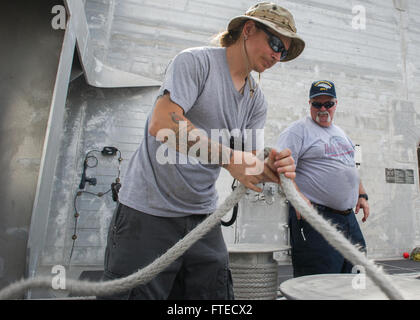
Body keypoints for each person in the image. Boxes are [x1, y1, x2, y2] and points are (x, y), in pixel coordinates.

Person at [99, 2, 305, 299]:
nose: (277, 55)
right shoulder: (194, 63)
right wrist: (231, 158)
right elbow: (162, 124)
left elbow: (250, 168)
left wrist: (274, 168)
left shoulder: (256, 101)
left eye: (283, 51)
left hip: (202, 217)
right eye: (275, 43)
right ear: (248, 30)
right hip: (148, 213)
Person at [275, 80, 370, 277]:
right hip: (316, 217)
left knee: (357, 275)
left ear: (336, 104)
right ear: (309, 103)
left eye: (328, 104)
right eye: (317, 104)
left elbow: (351, 164)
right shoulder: (297, 130)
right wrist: (297, 197)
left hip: (348, 219)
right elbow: (280, 168)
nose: (323, 109)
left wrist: (362, 194)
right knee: (319, 281)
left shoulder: (341, 133)